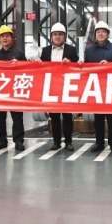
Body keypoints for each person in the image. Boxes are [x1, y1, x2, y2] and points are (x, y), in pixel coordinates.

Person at [84, 20, 112, 154]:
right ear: (95, 34)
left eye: (103, 32)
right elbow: (85, 69)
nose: (100, 34)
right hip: (96, 89)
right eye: (98, 32)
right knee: (98, 118)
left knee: (111, 118)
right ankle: (99, 142)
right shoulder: (89, 50)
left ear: (107, 34)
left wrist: (110, 65)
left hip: (111, 88)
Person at [38, 22, 78, 152]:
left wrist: (71, 63)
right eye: (55, 34)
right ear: (51, 37)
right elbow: (42, 69)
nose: (57, 37)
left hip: (66, 87)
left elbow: (79, 66)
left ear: (65, 36)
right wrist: (38, 64)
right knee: (54, 116)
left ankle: (68, 142)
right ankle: (56, 142)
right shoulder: (45, 51)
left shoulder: (71, 50)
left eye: (60, 34)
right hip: (52, 88)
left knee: (67, 116)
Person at [0, 25, 27, 152]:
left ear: (11, 38)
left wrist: (19, 64)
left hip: (15, 91)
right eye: (2, 36)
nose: (5, 38)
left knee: (17, 118)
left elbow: (27, 70)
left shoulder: (19, 53)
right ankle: (1, 141)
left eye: (7, 36)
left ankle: (18, 141)